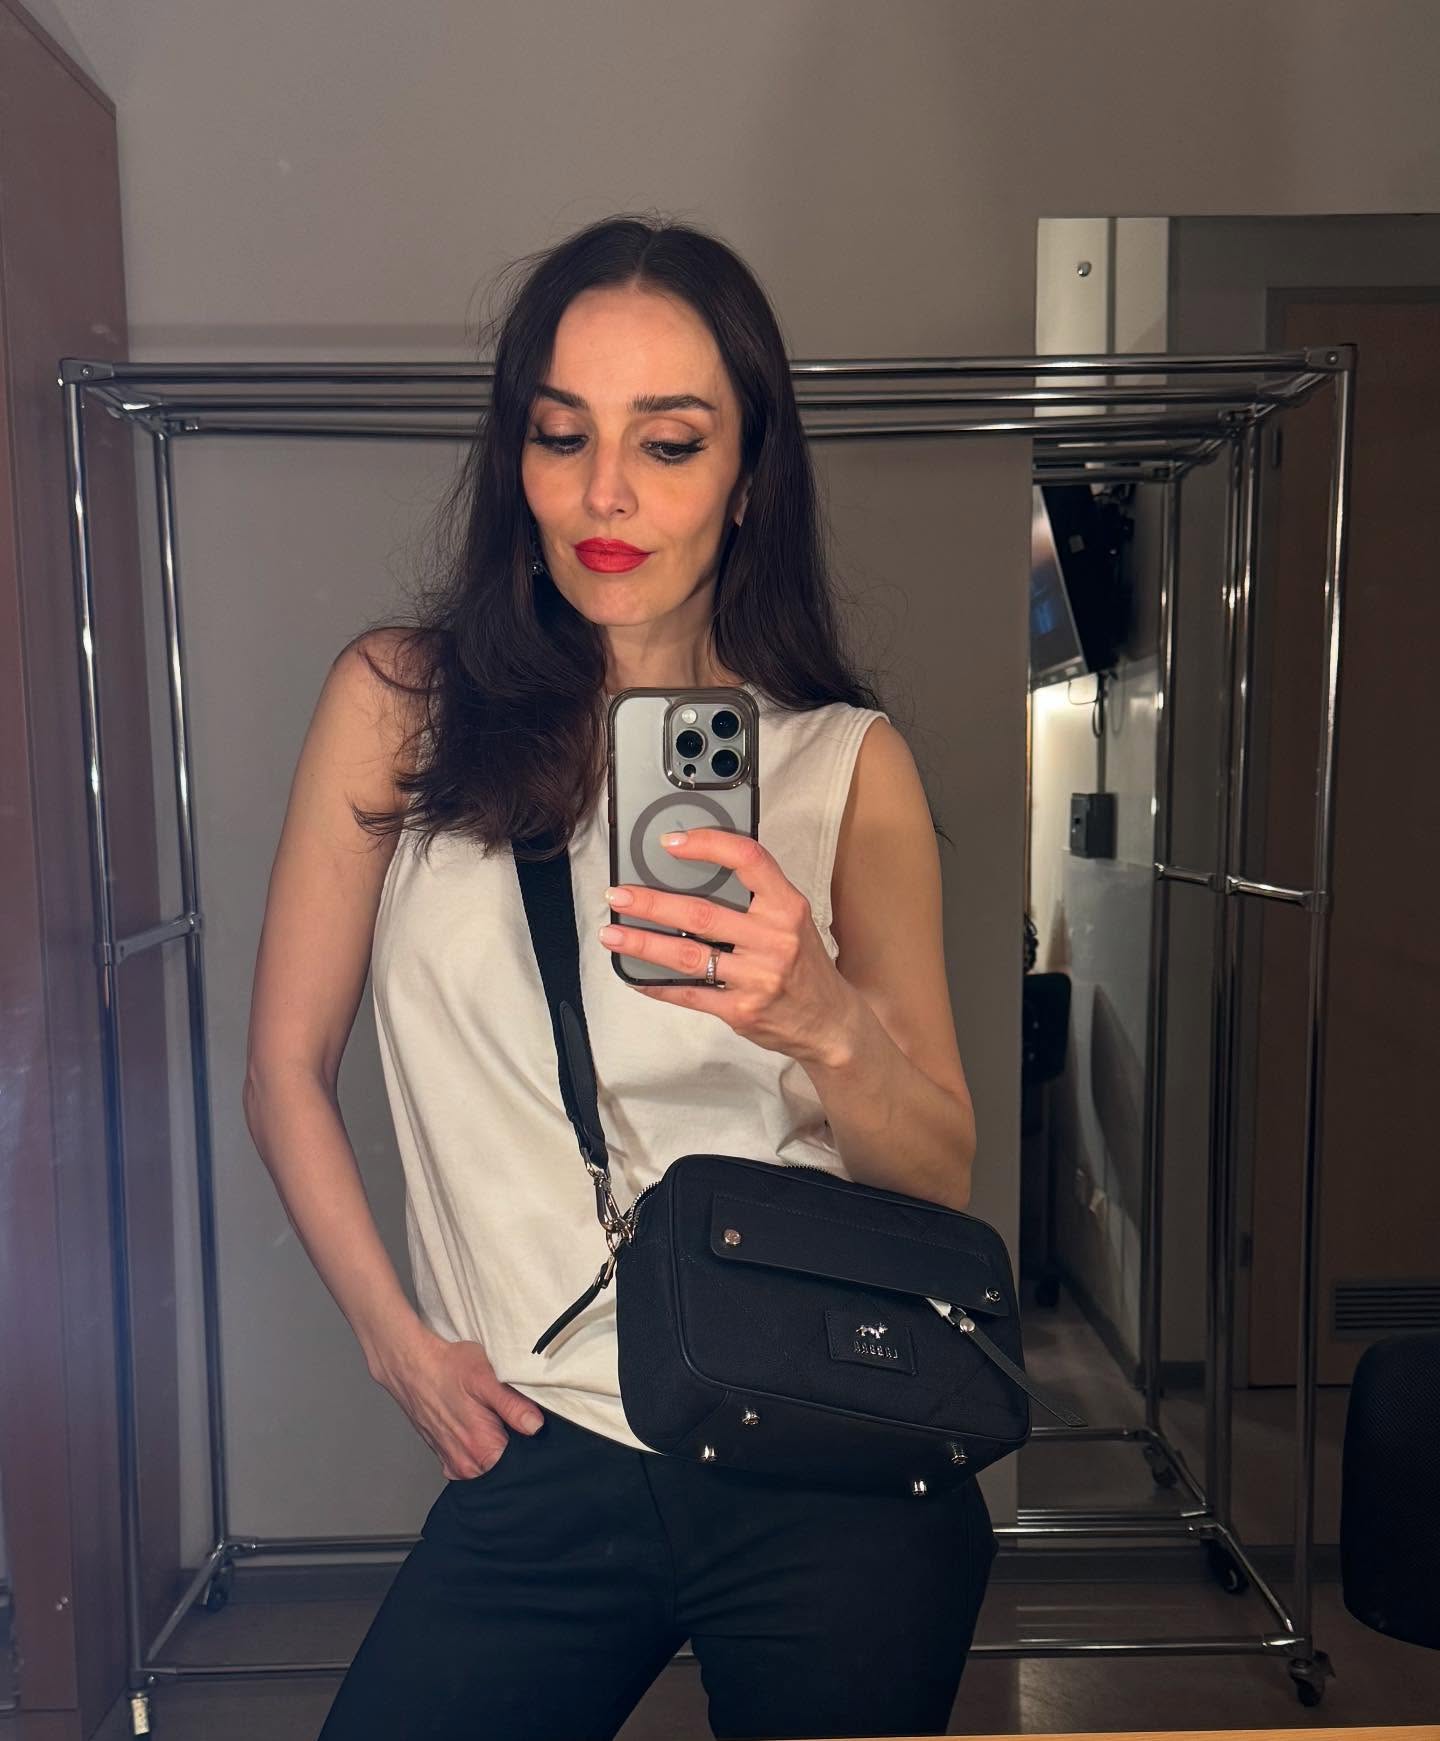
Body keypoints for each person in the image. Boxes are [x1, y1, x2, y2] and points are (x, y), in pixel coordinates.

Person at [243, 212, 996, 1741]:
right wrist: (396, 1340)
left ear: (747, 473)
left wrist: (824, 1019)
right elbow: (283, 1068)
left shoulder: (844, 766)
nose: (605, 492)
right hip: (542, 1448)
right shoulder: (397, 708)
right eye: (562, 434)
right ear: (515, 457)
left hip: (824, 1448)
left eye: (668, 441)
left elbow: (939, 1170)